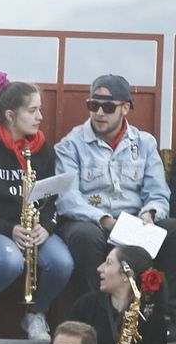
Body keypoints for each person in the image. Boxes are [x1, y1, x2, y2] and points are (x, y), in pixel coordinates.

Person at [0, 73, 73, 340]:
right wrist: (10, 229)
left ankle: (36, 314)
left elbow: (51, 199)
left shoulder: (45, 151)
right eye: (32, 110)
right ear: (10, 115)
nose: (40, 117)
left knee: (62, 262)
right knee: (10, 262)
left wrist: (45, 226)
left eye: (40, 110)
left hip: (34, 229)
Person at [54, 73, 176, 296]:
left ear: (125, 108)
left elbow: (158, 193)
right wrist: (107, 222)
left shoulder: (145, 143)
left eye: (108, 107)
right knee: (86, 237)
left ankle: (167, 314)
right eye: (93, 105)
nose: (99, 113)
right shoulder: (71, 144)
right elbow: (68, 200)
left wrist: (148, 215)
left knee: (172, 230)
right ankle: (97, 310)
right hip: (91, 220)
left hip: (134, 220)